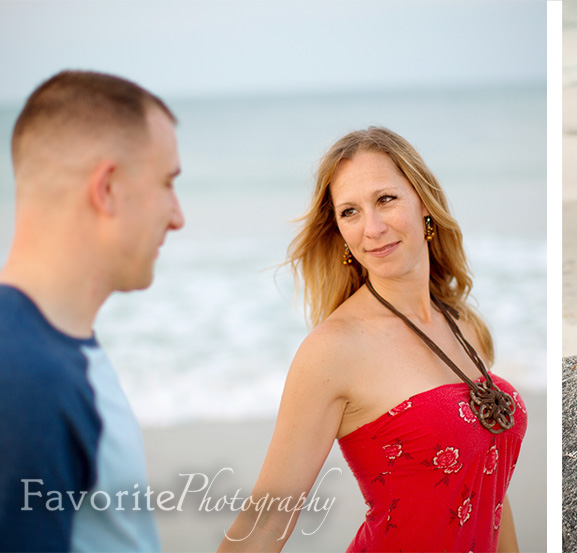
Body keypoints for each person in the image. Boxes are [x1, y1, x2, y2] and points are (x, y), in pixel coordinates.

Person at [219, 127, 526, 552]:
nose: (373, 228)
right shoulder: (333, 350)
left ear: (424, 203)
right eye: (350, 212)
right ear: (340, 232)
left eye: (385, 199)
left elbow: (490, 486)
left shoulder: (463, 324)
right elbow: (266, 522)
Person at [0, 71, 184, 551]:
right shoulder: (25, 377)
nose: (178, 216)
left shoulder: (53, 350)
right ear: (106, 189)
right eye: (167, 183)